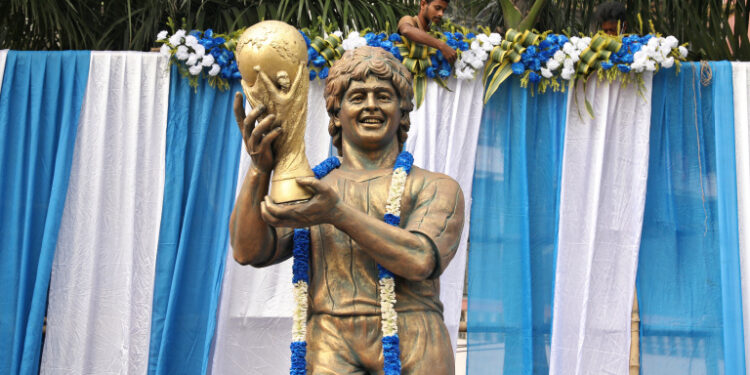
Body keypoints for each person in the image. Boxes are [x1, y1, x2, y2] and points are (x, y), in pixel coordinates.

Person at [230, 46, 464, 374]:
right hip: (329, 339)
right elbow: (248, 251)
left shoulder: (435, 186)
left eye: (383, 95)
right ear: (336, 113)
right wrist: (259, 170)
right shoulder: (310, 187)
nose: (371, 105)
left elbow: (421, 259)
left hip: (414, 335)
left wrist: (336, 213)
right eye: (357, 97)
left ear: (403, 110)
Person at [398, 0, 457, 64]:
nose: (441, 14)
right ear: (423, 4)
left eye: (443, 10)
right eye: (437, 8)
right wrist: (442, 46)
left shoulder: (434, 34)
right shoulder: (409, 20)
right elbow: (406, 30)